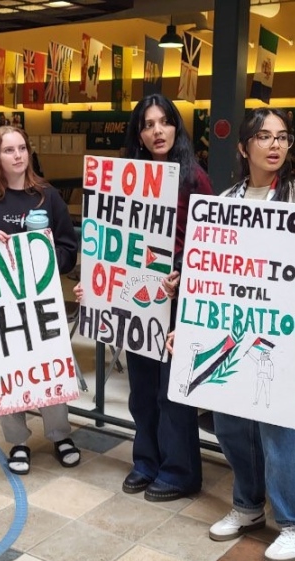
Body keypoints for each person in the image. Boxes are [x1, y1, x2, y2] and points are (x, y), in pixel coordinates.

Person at [180, 107, 295, 561]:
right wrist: (188, 327)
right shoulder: (226, 200)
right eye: (265, 136)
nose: (275, 145)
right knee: (232, 428)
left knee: (280, 435)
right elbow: (205, 270)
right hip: (233, 336)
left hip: (286, 340)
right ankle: (249, 506)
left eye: (283, 137)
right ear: (244, 146)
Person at [84, 93, 212, 502]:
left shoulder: (196, 178)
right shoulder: (127, 177)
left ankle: (181, 471)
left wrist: (185, 276)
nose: (157, 130)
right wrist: (94, 277)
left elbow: (209, 244)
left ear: (177, 127)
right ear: (138, 134)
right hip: (134, 291)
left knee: (171, 389)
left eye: (164, 122)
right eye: (148, 124)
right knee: (141, 386)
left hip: (177, 293)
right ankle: (147, 461)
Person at [0, 125, 79, 475]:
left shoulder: (47, 196)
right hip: (1, 304)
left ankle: (60, 435)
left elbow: (69, 250)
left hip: (42, 302)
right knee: (7, 369)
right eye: (9, 150)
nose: (18, 156)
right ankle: (18, 441)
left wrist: (42, 256)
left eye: (22, 148)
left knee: (48, 365)